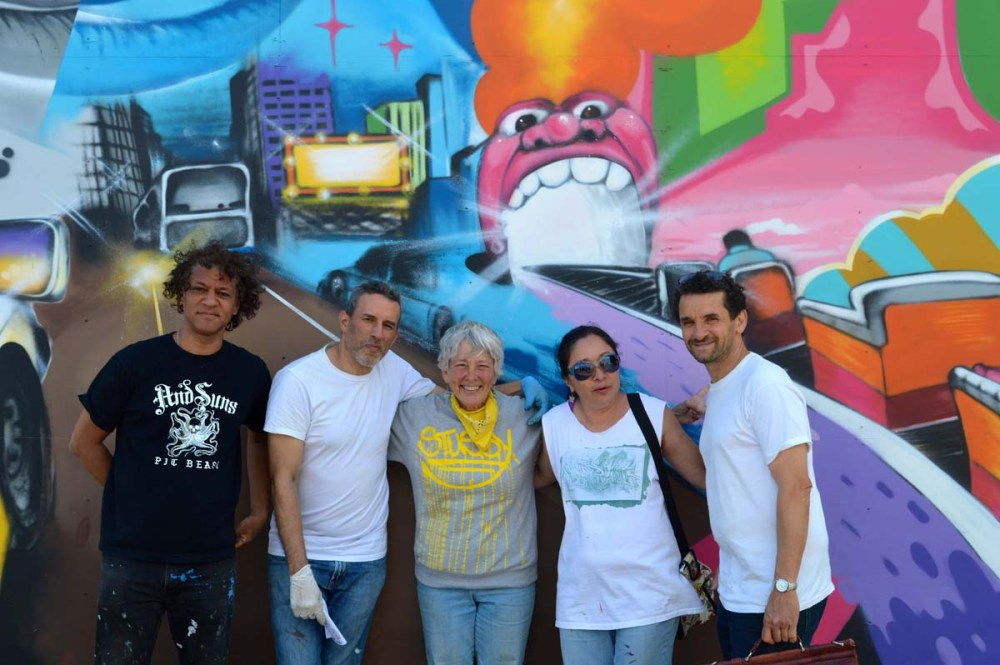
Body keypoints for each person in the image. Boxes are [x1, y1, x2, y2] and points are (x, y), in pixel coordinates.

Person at [266, 281, 547, 665]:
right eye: (369, 320)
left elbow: (464, 394)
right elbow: (282, 478)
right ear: (345, 320)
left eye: (388, 325)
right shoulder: (298, 381)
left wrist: (521, 387)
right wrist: (298, 572)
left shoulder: (395, 372)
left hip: (365, 560)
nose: (377, 333)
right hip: (304, 557)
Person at [69, 242, 272, 664]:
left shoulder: (249, 372)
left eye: (223, 293)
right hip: (131, 558)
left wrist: (260, 508)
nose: (210, 300)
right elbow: (83, 441)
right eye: (200, 289)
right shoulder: (136, 363)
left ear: (237, 307)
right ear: (182, 295)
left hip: (209, 562)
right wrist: (128, 493)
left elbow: (259, 436)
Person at [674, 270, 833, 659]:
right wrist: (668, 422)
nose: (698, 332)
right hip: (740, 588)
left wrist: (784, 589)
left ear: (739, 320)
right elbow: (719, 477)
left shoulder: (766, 386)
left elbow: (797, 487)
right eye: (688, 322)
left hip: (774, 591)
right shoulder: (724, 387)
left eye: (711, 319)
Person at [535, 325, 707, 665]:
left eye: (608, 362)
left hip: (650, 595)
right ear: (569, 381)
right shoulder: (554, 426)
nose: (599, 375)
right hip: (581, 598)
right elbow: (535, 479)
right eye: (584, 370)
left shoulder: (653, 414)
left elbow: (706, 477)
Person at [388, 321, 541, 665]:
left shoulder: (525, 415)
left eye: (483, 366)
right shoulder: (413, 417)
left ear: (496, 372)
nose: (471, 375)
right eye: (460, 365)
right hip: (440, 584)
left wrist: (675, 415)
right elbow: (358, 424)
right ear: (444, 370)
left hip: (510, 582)